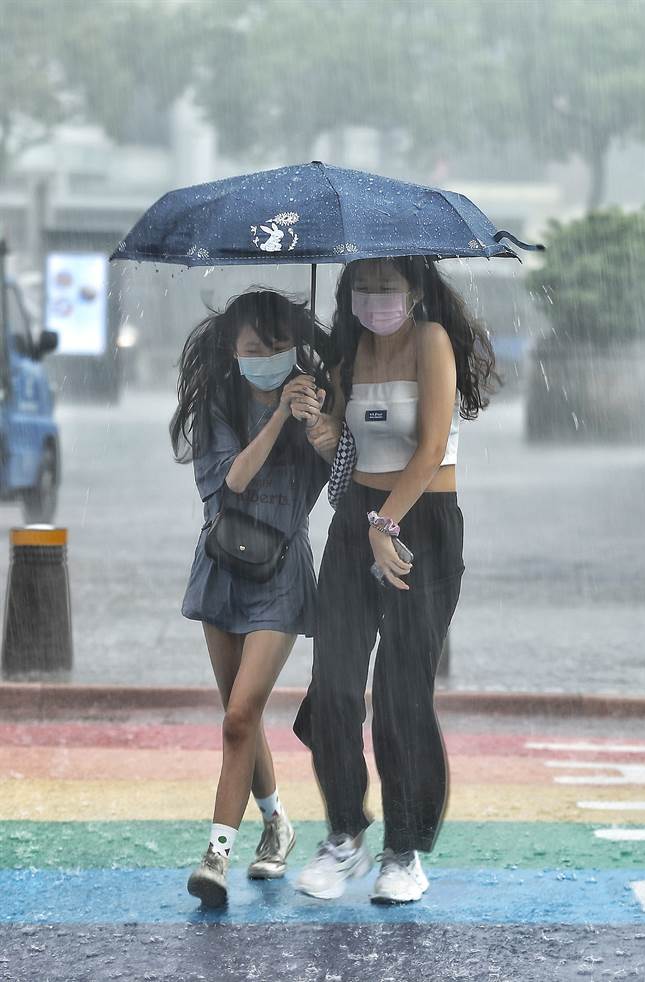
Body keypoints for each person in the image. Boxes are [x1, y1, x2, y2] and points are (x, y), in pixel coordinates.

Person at [293, 256, 499, 904]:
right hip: (358, 521)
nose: (375, 298)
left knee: (401, 695)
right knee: (333, 687)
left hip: (424, 526)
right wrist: (321, 429)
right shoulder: (349, 352)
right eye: (363, 286)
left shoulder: (431, 341)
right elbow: (353, 453)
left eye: (388, 286)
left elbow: (432, 444)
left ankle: (403, 851)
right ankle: (346, 833)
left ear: (415, 290)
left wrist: (389, 522)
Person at [170, 290, 331, 908]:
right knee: (242, 715)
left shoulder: (316, 396)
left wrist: (318, 428)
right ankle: (277, 824)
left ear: (295, 347)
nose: (265, 358)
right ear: (232, 351)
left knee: (239, 716)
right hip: (221, 568)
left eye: (276, 347)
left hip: (283, 574)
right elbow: (231, 483)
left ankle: (215, 854)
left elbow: (339, 481)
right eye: (253, 349)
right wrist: (275, 421)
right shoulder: (218, 401)